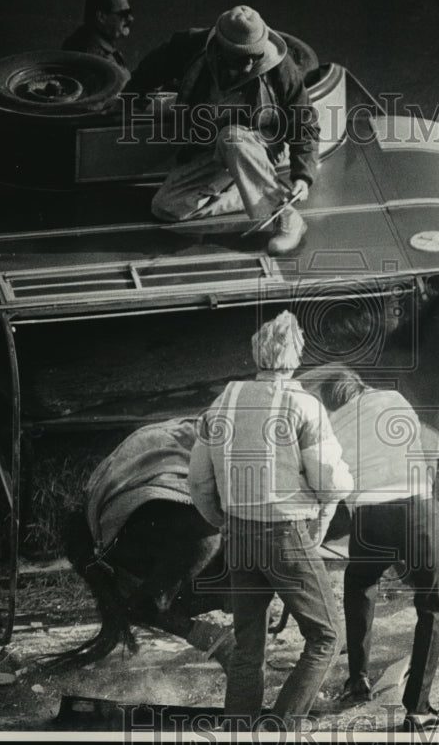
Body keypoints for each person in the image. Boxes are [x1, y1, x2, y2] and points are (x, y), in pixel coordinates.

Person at [187, 311, 352, 731]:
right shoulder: (304, 406)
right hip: (286, 533)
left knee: (248, 646)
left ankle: (237, 730)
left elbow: (198, 482)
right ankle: (280, 728)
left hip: (239, 534)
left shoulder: (221, 405)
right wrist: (342, 488)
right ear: (296, 357)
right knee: (327, 636)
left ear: (257, 354)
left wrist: (223, 522)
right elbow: (330, 482)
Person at [319, 368, 439, 732]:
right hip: (416, 508)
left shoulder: (330, 422)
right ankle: (418, 707)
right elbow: (424, 449)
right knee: (434, 604)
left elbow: (334, 478)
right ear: (359, 386)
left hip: (369, 516)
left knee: (360, 583)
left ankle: (358, 680)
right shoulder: (393, 399)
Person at [125, 5, 319, 255]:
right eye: (240, 59)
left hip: (259, 142)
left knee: (233, 137)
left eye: (255, 57)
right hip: (211, 148)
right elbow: (149, 71)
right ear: (219, 49)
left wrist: (303, 174)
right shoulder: (189, 46)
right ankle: (251, 190)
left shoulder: (280, 66)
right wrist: (127, 99)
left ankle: (286, 215)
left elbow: (304, 120)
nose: (249, 67)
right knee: (166, 208)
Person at [62, 0, 134, 67]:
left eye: (129, 12)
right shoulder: (93, 59)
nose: (131, 19)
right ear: (101, 17)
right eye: (124, 14)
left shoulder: (90, 45)